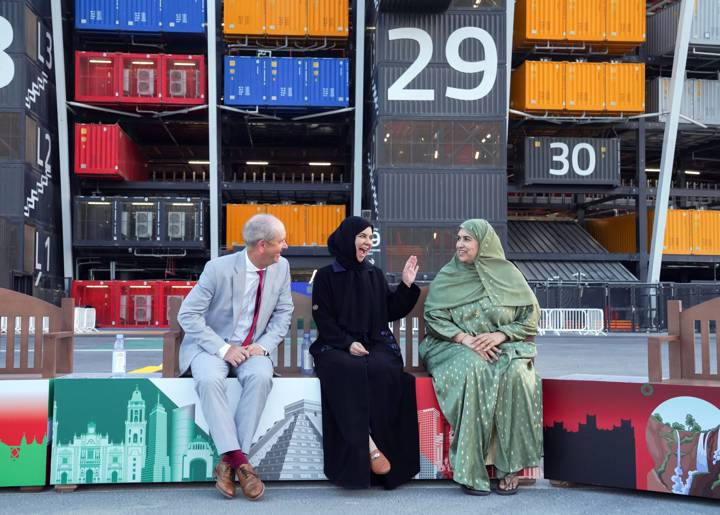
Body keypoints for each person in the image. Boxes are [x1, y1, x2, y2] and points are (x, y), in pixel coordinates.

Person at [419, 219, 542, 496]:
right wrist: (466, 339)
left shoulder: (508, 275)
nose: (459, 245)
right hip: (451, 345)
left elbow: (529, 317)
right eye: (459, 238)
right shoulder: (449, 274)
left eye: (467, 239)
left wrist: (501, 335)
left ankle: (509, 465)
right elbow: (434, 317)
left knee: (516, 374)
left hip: (501, 346)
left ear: (483, 244)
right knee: (476, 366)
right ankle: (470, 468)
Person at [177, 213, 292, 500]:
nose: (286, 246)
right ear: (262, 245)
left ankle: (227, 465)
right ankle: (241, 463)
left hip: (252, 349)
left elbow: (283, 312)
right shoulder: (217, 269)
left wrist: (263, 345)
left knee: (261, 375)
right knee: (208, 379)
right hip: (211, 346)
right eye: (281, 241)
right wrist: (223, 349)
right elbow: (187, 315)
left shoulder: (282, 267)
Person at [310, 216, 421, 489]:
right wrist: (347, 343)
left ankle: (384, 458)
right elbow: (323, 319)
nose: (368, 243)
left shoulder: (374, 274)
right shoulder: (326, 276)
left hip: (374, 342)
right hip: (336, 344)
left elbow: (390, 310)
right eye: (362, 236)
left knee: (386, 370)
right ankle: (368, 451)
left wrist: (406, 285)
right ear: (348, 239)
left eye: (371, 237)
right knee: (349, 368)